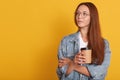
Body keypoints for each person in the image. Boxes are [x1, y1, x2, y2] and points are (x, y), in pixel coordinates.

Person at [56, 2, 111, 80]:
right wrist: (73, 62)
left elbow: (99, 73)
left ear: (92, 17)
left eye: (84, 14)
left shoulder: (104, 44)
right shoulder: (66, 41)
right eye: (77, 13)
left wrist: (72, 65)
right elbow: (61, 73)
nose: (79, 16)